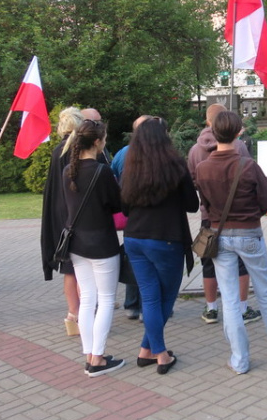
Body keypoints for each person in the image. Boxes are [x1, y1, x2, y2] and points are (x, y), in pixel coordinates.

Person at [194, 110, 267, 374]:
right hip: (249, 233)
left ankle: (240, 359)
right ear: (239, 132)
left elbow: (205, 206)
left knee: (229, 299)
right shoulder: (248, 165)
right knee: (265, 291)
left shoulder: (202, 168)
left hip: (219, 236)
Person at [120, 117, 198, 375]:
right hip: (165, 239)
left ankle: (146, 350)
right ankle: (161, 354)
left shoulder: (130, 165)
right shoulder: (175, 165)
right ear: (164, 137)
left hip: (134, 239)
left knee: (151, 298)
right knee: (163, 299)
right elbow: (192, 204)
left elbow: (125, 206)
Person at [187, 103, 260, 326]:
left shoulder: (195, 150)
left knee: (208, 261)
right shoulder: (238, 147)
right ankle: (242, 308)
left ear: (208, 121)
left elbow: (192, 182)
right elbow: (253, 178)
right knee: (240, 263)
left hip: (209, 215)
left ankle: (211, 309)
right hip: (239, 217)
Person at [64, 119, 124, 377]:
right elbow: (116, 206)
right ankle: (97, 358)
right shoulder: (102, 171)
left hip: (77, 242)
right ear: (98, 142)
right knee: (106, 299)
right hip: (101, 243)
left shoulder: (68, 170)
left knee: (87, 298)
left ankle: (90, 353)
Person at [40, 106, 85, 336]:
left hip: (59, 216)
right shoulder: (79, 150)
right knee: (83, 267)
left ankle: (73, 314)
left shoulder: (58, 150)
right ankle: (86, 315)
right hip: (76, 214)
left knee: (69, 268)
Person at [111, 115, 153, 321]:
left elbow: (113, 179)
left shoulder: (122, 153)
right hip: (151, 219)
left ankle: (131, 305)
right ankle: (148, 308)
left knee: (132, 260)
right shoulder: (157, 153)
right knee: (150, 264)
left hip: (130, 217)